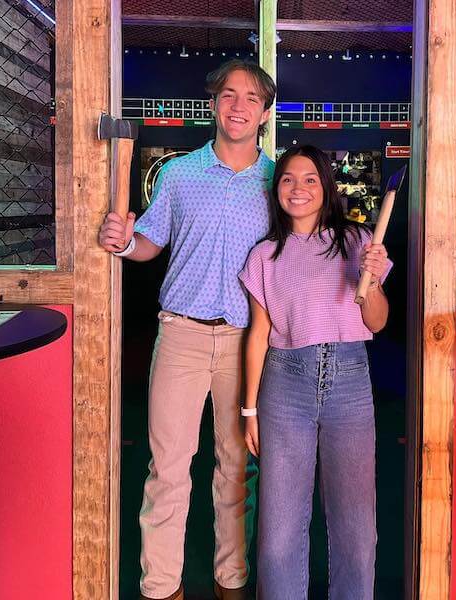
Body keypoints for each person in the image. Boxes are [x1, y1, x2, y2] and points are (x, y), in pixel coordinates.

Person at [98, 60, 276, 600]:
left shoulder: (278, 182)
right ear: (213, 103)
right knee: (168, 469)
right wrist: (125, 243)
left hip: (248, 343)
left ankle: (232, 581)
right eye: (228, 95)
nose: (238, 105)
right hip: (180, 336)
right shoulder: (178, 175)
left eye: (250, 97)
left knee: (236, 470)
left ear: (265, 112)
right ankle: (161, 588)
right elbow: (150, 241)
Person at [238, 145, 392, 600]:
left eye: (309, 179)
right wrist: (249, 409)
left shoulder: (360, 242)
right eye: (288, 179)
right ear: (276, 189)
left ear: (327, 186)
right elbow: (258, 335)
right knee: (278, 532)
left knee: (355, 526)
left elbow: (378, 321)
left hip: (349, 381)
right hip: (285, 386)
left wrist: (369, 287)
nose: (298, 188)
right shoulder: (264, 256)